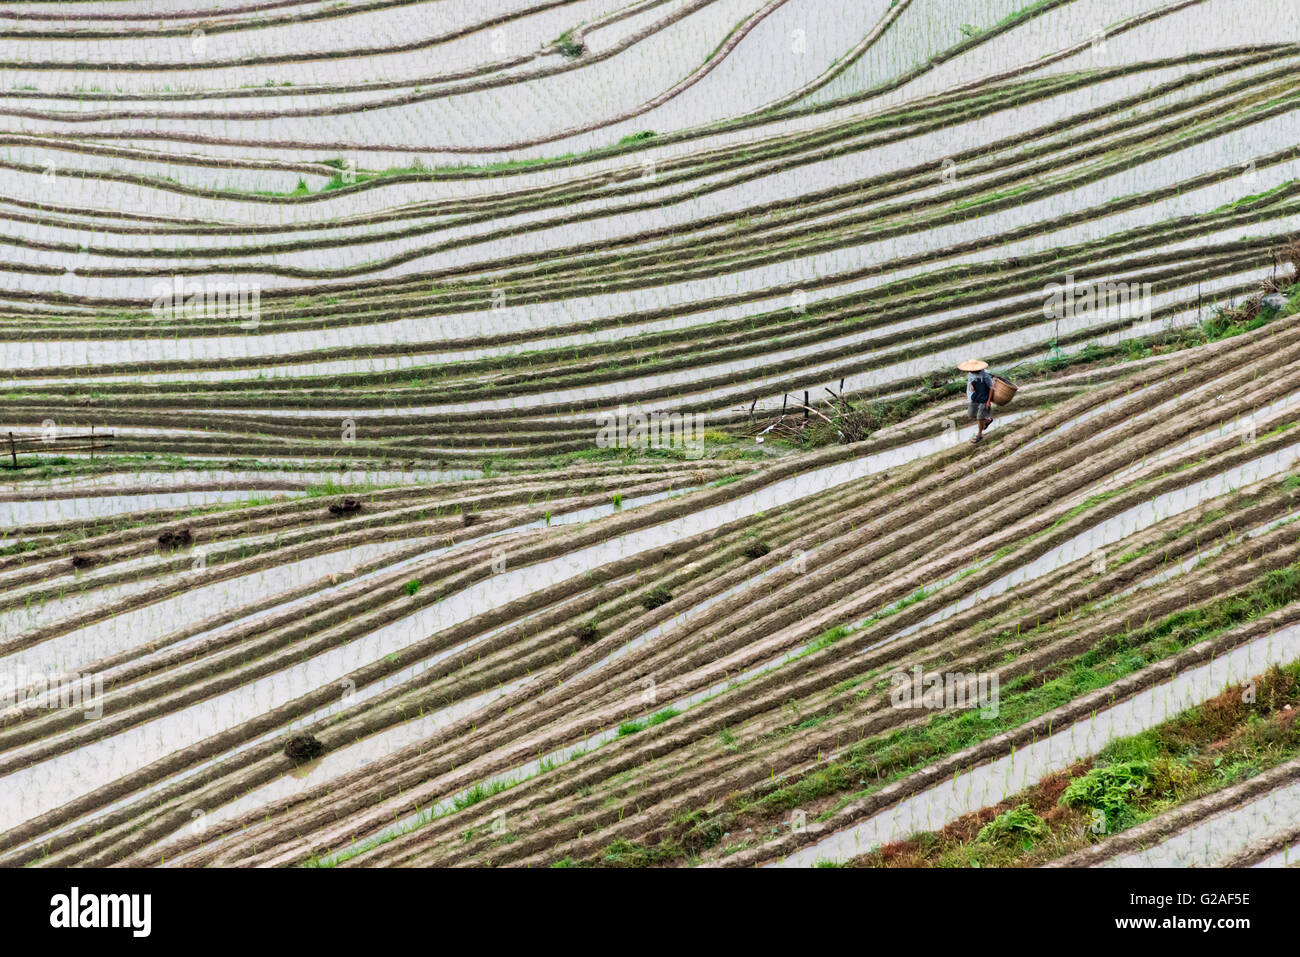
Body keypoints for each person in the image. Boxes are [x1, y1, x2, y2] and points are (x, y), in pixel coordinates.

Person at [958, 359, 994, 444]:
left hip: (984, 398)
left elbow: (991, 388)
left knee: (979, 417)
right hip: (975, 397)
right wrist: (971, 385)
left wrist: (988, 401)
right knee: (971, 414)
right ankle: (987, 420)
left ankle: (979, 435)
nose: (971, 371)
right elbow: (970, 381)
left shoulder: (985, 376)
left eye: (973, 369)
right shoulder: (971, 374)